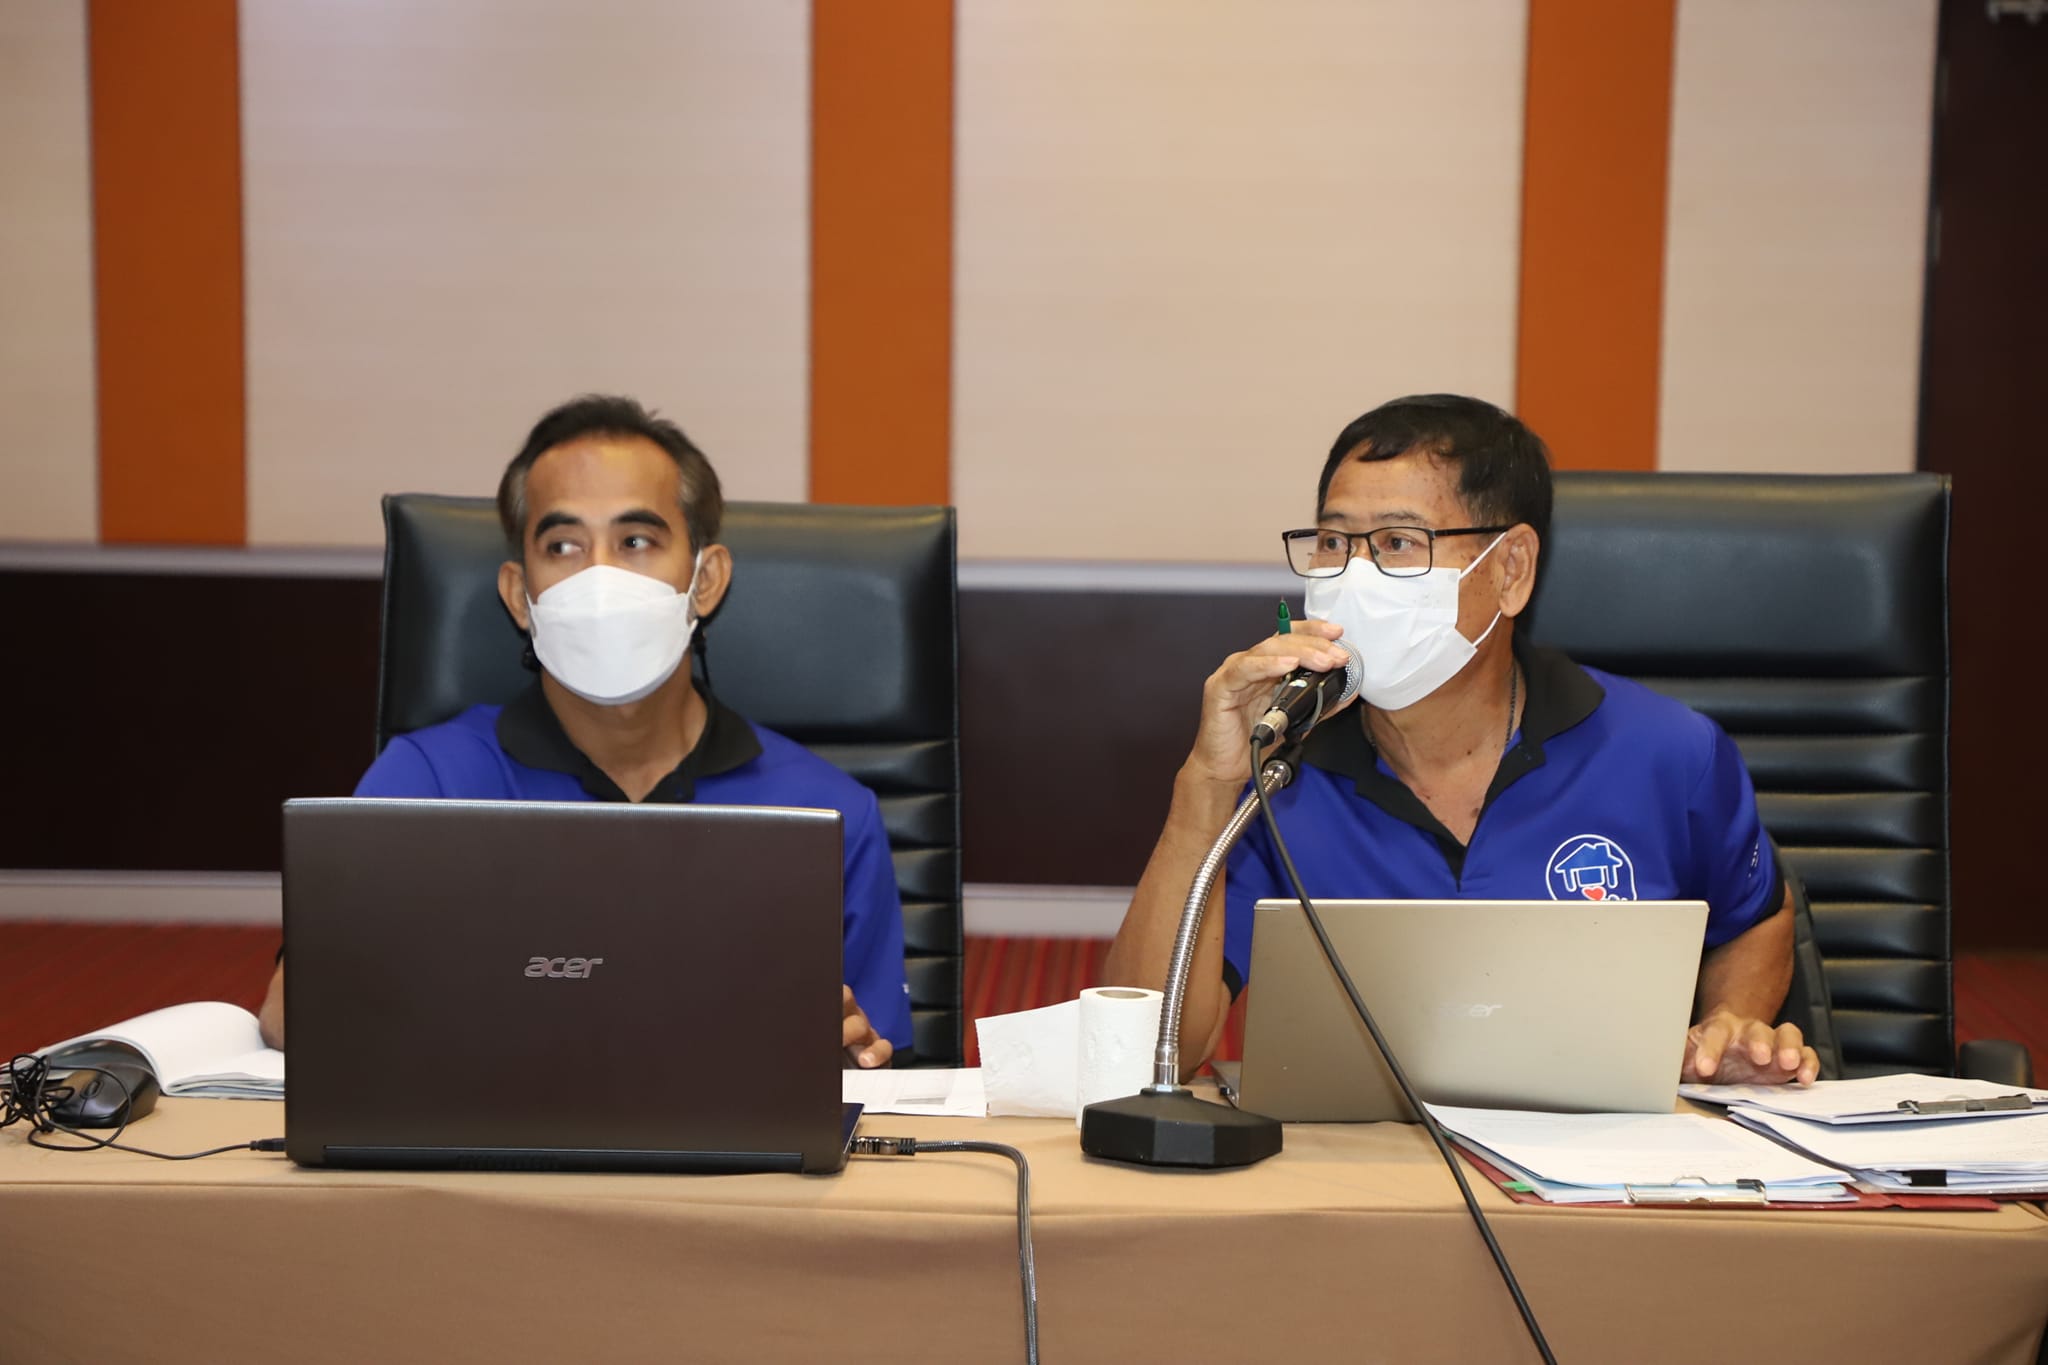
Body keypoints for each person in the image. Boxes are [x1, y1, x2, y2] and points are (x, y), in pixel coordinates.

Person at [1102, 393, 1820, 1086]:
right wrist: (1207, 785)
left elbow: (1755, 916)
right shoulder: (1282, 769)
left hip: (1597, 1156)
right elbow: (1143, 1055)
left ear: (1510, 570)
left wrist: (1731, 1021)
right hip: (1360, 1157)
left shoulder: (1668, 752)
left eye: (1398, 543)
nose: (1354, 577)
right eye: (1334, 542)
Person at [258, 395, 911, 1066]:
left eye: (636, 541)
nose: (600, 577)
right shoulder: (425, 781)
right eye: (563, 546)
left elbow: (874, 1061)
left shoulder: (829, 811)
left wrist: (849, 1058)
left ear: (706, 579)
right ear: (520, 594)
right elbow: (293, 1013)